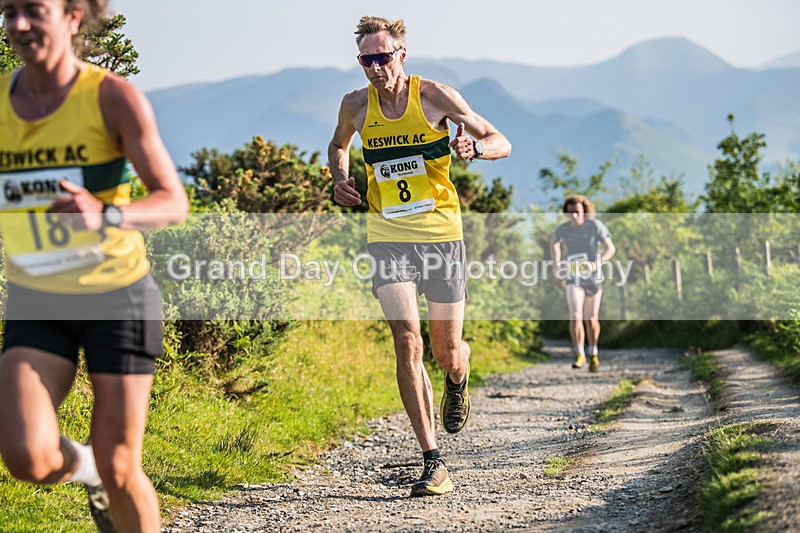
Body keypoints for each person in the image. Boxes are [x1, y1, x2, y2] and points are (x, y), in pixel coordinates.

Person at [0, 1, 188, 532]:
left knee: (122, 464)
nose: (18, 24)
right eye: (9, 12)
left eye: (34, 11)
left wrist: (105, 214)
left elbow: (172, 200)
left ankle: (106, 472)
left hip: (116, 295)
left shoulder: (111, 97)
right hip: (36, 298)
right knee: (26, 456)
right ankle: (88, 470)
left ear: (73, 17)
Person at [328, 16, 511, 497]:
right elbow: (337, 145)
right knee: (407, 340)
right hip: (386, 235)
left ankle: (459, 372)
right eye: (366, 59)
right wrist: (340, 179)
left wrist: (476, 149)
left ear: (401, 55)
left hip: (441, 235)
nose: (375, 67)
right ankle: (432, 459)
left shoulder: (435, 97)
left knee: (445, 350)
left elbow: (501, 141)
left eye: (382, 57)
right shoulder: (355, 105)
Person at [551, 195, 615, 372]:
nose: (574, 215)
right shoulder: (562, 229)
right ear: (566, 213)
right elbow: (554, 244)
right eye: (570, 212)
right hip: (573, 276)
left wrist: (596, 264)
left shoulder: (595, 226)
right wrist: (557, 265)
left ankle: (593, 352)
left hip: (593, 277)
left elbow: (610, 248)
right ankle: (579, 353)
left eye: (577, 212)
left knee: (591, 319)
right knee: (575, 315)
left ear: (584, 211)